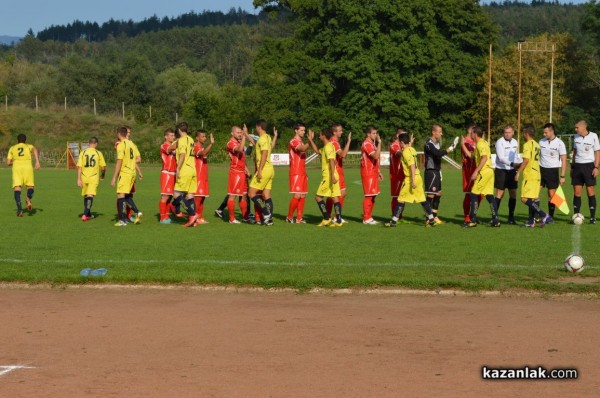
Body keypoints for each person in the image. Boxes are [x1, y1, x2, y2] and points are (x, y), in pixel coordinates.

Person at [384, 133, 436, 227]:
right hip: (418, 177)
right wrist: (410, 143)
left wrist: (412, 180)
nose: (399, 145)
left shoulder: (405, 152)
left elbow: (411, 165)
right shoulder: (411, 149)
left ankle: (394, 221)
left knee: (400, 199)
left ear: (402, 142)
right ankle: (431, 219)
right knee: (422, 199)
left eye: (400, 143)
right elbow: (410, 154)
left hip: (411, 178)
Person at [515, 126, 552, 227]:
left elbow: (526, 160)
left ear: (526, 133)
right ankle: (531, 222)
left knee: (524, 198)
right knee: (533, 199)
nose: (522, 135)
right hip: (537, 173)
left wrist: (518, 172)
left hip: (530, 174)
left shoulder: (527, 144)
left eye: (523, 133)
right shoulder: (537, 144)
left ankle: (544, 215)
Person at [308, 129, 343, 227]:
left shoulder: (328, 147)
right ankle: (339, 221)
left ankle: (326, 218)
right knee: (335, 197)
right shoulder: (327, 146)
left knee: (318, 197)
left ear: (324, 136)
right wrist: (310, 140)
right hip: (333, 175)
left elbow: (332, 161)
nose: (319, 137)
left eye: (320, 135)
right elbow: (317, 151)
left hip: (329, 176)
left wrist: (331, 176)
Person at [466, 126, 500, 228]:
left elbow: (484, 157)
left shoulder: (480, 144)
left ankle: (473, 220)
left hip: (484, 172)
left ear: (475, 134)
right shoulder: (484, 143)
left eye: (472, 133)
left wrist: (476, 171)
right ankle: (495, 220)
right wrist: (464, 146)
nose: (471, 134)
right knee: (489, 196)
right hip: (490, 171)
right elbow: (474, 156)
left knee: (473, 194)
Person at [110, 126, 143, 226]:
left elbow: (119, 161)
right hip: (132, 172)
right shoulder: (131, 143)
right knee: (126, 195)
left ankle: (122, 220)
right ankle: (136, 212)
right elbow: (138, 158)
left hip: (124, 173)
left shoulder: (121, 144)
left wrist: (114, 177)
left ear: (118, 134)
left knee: (120, 195)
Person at [219, 125, 252, 224]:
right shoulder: (230, 143)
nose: (240, 134)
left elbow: (242, 157)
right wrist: (244, 137)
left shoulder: (238, 141)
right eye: (238, 132)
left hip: (242, 172)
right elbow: (239, 149)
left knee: (244, 196)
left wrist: (247, 170)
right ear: (232, 133)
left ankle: (245, 217)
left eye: (241, 132)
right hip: (235, 172)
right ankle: (232, 219)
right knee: (233, 196)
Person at [423, 123, 456, 224]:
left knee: (438, 193)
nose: (441, 134)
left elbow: (438, 155)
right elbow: (437, 153)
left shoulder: (436, 142)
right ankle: (428, 218)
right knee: (431, 195)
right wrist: (450, 148)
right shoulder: (429, 144)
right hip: (431, 171)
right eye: (439, 132)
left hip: (437, 171)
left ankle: (434, 216)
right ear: (433, 132)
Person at [169, 122, 198, 227]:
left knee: (176, 194)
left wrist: (178, 168)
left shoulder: (181, 140)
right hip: (193, 169)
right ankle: (193, 221)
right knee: (189, 195)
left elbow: (182, 154)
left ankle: (192, 214)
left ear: (179, 130)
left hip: (185, 170)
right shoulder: (190, 139)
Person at [571, 120, 600, 224]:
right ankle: (575, 215)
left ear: (583, 128)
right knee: (577, 192)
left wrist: (596, 167)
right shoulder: (576, 137)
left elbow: (597, 152)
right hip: (578, 166)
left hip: (589, 166)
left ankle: (592, 217)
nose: (575, 129)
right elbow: (574, 152)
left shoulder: (593, 136)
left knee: (590, 191)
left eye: (577, 127)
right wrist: (572, 167)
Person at [248, 119, 275, 226]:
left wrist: (259, 170)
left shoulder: (263, 138)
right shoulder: (267, 137)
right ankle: (269, 219)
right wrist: (246, 134)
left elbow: (264, 153)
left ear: (259, 127)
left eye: (256, 127)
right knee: (266, 194)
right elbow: (257, 144)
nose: (255, 128)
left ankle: (266, 213)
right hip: (270, 170)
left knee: (251, 193)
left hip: (264, 169)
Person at [6, 133, 40, 217]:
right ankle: (28, 198)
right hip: (27, 166)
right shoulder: (29, 146)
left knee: (17, 188)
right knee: (30, 187)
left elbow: (8, 163)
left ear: (17, 141)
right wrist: (37, 161)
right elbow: (35, 149)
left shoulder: (12, 148)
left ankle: (20, 210)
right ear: (25, 141)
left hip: (17, 167)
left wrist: (14, 162)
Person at [539, 122, 567, 220]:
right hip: (540, 170)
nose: (544, 134)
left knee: (552, 195)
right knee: (535, 194)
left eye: (546, 132)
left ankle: (550, 216)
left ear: (552, 131)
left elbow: (564, 160)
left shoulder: (560, 143)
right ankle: (534, 215)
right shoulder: (541, 142)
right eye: (544, 132)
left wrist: (562, 176)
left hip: (552, 171)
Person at [76, 137, 106, 221]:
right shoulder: (98, 153)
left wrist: (78, 179)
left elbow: (79, 167)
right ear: (96, 144)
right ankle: (85, 214)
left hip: (84, 177)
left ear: (88, 143)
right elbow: (103, 167)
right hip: (93, 177)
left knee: (86, 195)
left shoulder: (83, 152)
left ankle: (88, 214)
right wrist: (102, 175)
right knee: (90, 195)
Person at [494, 125, 519, 224]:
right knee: (500, 193)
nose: (507, 134)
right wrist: (513, 164)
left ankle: (511, 218)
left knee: (513, 193)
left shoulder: (515, 142)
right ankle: (494, 216)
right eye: (506, 132)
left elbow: (512, 156)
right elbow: (501, 158)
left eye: (509, 132)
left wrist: (516, 165)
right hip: (501, 170)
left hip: (511, 170)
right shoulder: (499, 142)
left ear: (513, 132)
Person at [327, 123, 351, 221]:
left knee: (335, 194)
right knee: (339, 194)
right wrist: (349, 141)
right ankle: (336, 217)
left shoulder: (333, 142)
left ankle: (328, 216)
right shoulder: (334, 142)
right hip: (336, 171)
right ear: (334, 132)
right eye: (340, 130)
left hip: (338, 170)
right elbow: (342, 154)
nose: (342, 132)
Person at [286, 122, 310, 223]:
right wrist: (310, 141)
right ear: (296, 130)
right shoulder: (293, 141)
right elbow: (302, 149)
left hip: (303, 172)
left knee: (303, 195)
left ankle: (299, 218)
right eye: (301, 130)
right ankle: (289, 217)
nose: (303, 132)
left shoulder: (301, 142)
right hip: (295, 172)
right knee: (297, 195)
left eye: (304, 130)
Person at [360, 125, 383, 224]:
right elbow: (376, 156)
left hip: (373, 172)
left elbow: (375, 160)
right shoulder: (367, 144)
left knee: (373, 195)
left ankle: (369, 216)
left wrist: (378, 171)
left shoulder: (372, 144)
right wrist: (380, 143)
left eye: (376, 133)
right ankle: (366, 218)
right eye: (373, 133)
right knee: (369, 195)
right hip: (367, 172)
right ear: (368, 134)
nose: (375, 135)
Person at [193, 130, 214, 225]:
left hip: (204, 177)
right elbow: (203, 153)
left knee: (202, 198)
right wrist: (211, 144)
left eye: (205, 136)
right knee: (198, 198)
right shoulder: (195, 146)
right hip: (198, 177)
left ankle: (200, 217)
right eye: (202, 136)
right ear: (197, 138)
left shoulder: (201, 146)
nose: (205, 138)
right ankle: (195, 217)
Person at [461, 124, 479, 225]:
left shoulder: (475, 141)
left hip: (476, 170)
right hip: (468, 171)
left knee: (479, 195)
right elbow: (470, 156)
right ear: (469, 130)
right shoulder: (466, 142)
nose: (474, 133)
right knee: (469, 194)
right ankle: (467, 216)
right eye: (473, 130)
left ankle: (473, 215)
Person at [159, 128, 177, 224]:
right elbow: (170, 149)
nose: (173, 137)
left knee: (170, 196)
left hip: (174, 173)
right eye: (171, 135)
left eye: (173, 135)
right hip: (166, 173)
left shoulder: (174, 146)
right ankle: (162, 217)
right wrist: (181, 142)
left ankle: (166, 215)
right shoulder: (164, 145)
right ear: (165, 136)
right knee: (165, 196)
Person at [389, 129, 406, 217]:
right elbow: (398, 154)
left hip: (403, 175)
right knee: (396, 197)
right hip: (396, 175)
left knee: (403, 196)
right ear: (397, 135)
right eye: (402, 135)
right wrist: (407, 149)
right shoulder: (394, 145)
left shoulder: (402, 145)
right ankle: (394, 216)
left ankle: (400, 216)